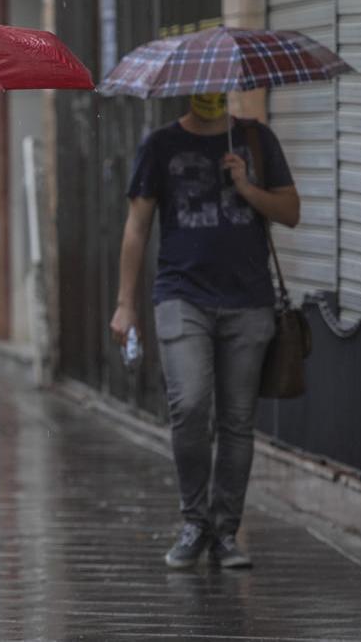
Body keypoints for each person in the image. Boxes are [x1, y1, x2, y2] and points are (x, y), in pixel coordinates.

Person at [110, 92, 301, 570]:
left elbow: (291, 211)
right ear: (189, 90)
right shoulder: (160, 145)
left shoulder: (257, 141)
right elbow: (136, 228)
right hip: (181, 296)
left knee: (237, 421)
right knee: (191, 405)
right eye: (202, 87)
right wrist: (125, 305)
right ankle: (194, 520)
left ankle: (226, 532)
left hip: (248, 301)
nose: (210, 95)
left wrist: (247, 185)